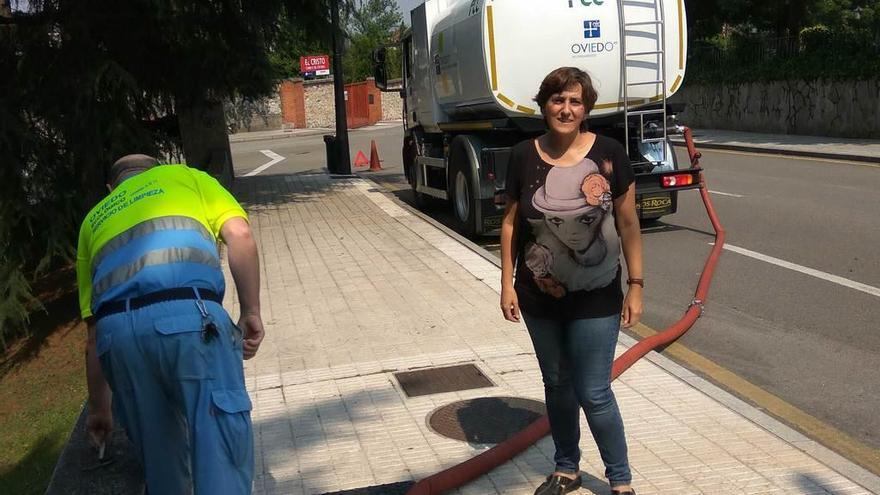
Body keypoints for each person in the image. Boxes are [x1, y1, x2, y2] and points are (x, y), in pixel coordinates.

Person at [77, 154, 265, 494]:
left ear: (111, 188)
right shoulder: (186, 177)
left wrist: (99, 410)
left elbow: (91, 337)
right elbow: (240, 235)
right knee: (220, 446)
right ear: (158, 169)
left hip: (116, 338)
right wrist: (251, 310)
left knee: (160, 461)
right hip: (189, 319)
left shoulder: (93, 220)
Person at [500, 67, 643, 495]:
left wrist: (636, 284)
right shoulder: (524, 155)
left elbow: (629, 222)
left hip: (597, 294)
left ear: (586, 108)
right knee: (558, 384)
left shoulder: (610, 152)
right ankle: (567, 468)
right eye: (558, 100)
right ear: (544, 105)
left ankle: (620, 481)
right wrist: (506, 283)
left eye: (575, 101)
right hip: (537, 294)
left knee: (594, 390)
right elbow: (509, 224)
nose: (566, 108)